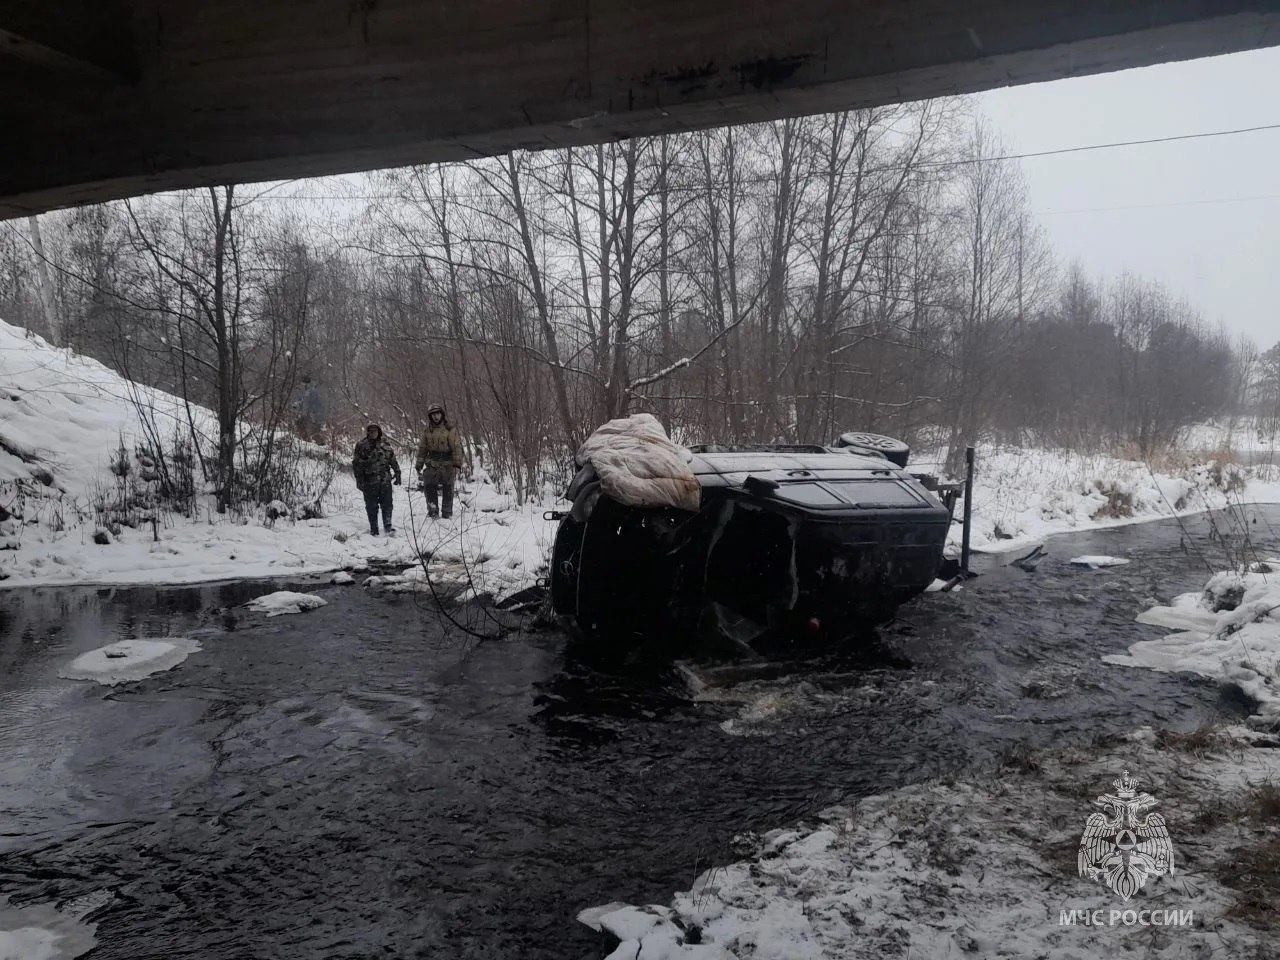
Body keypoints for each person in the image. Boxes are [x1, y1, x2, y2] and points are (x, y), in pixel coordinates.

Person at [414, 404, 465, 518]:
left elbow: (456, 447)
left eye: (438, 414)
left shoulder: (450, 429)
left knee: (448, 489)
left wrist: (457, 464)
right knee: (429, 488)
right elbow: (422, 448)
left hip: (447, 464)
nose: (436, 417)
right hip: (432, 463)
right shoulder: (427, 431)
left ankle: (447, 513)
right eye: (433, 415)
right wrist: (419, 464)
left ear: (442, 414)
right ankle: (433, 511)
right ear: (430, 417)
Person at [352, 423, 402, 535]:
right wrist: (359, 480)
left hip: (385, 480)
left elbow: (392, 459)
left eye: (376, 431)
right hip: (369, 481)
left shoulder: (385, 444)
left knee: (388, 504)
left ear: (379, 432)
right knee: (371, 506)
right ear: (368, 432)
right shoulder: (361, 445)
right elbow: (356, 464)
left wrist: (397, 472)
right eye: (371, 431)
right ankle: (374, 528)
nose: (374, 433)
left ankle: (388, 526)